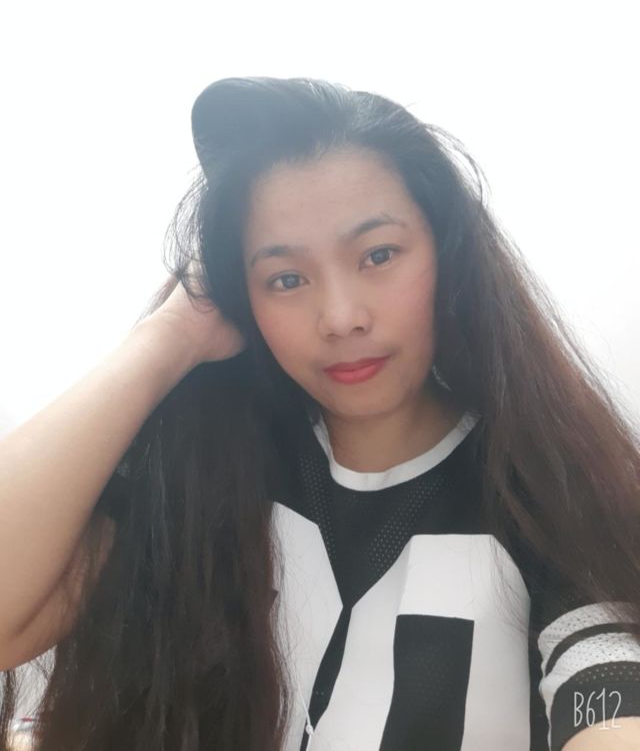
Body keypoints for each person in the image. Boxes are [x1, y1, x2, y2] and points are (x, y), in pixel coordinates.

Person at [0, 76, 639, 751]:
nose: (340, 316)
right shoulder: (202, 475)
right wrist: (169, 337)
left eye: (378, 255)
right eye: (286, 278)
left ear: (449, 253)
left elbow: (609, 694)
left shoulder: (540, 496)